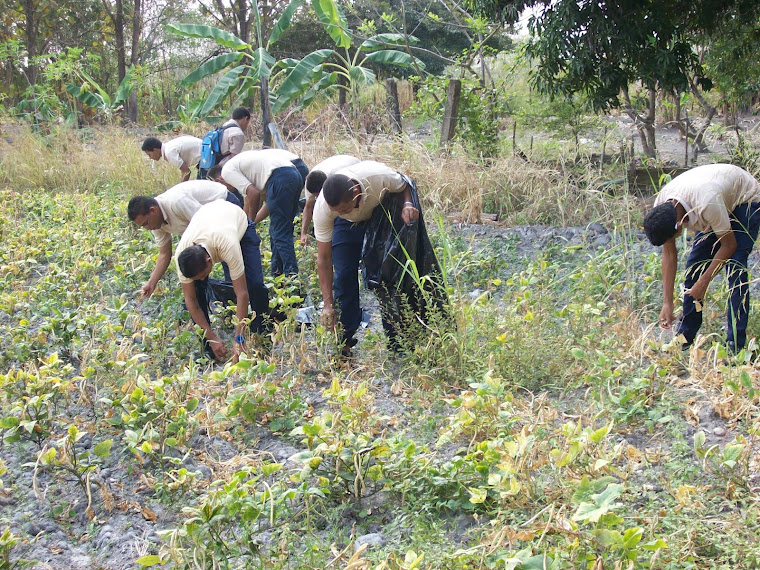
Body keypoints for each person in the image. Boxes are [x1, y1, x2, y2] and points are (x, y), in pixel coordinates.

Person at [644, 163, 760, 352]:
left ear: (679, 225)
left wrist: (704, 282)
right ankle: (684, 338)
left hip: (745, 198)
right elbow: (669, 254)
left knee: (735, 267)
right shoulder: (662, 206)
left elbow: (729, 245)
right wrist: (667, 302)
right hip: (715, 198)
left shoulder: (707, 203)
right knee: (694, 270)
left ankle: (735, 346)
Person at [314, 160, 425, 354]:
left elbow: (405, 184)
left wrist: (408, 204)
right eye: (336, 211)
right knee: (344, 275)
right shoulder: (325, 209)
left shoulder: (377, 176)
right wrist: (327, 303)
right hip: (346, 227)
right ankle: (344, 340)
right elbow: (323, 259)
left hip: (378, 216)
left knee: (387, 275)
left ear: (356, 194)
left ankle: (397, 343)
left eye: (343, 209)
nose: (339, 213)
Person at [175, 200, 269, 362]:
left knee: (254, 285)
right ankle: (211, 348)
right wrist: (211, 337)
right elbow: (190, 299)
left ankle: (261, 336)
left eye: (204, 275)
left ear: (209, 260)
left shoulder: (227, 245)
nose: (204, 280)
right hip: (209, 218)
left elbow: (242, 294)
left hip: (238, 223)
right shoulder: (181, 255)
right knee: (197, 292)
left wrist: (238, 339)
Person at [127, 180, 242, 298]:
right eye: (143, 226)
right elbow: (164, 254)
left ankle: (241, 302)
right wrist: (152, 283)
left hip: (225, 204)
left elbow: (208, 224)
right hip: (207, 225)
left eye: (146, 223)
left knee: (231, 261)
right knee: (196, 272)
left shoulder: (176, 202)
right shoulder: (155, 223)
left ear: (153, 210)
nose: (148, 228)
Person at [208, 150, 303, 277]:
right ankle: (278, 275)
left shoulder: (227, 172)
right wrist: (247, 222)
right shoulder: (244, 170)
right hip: (293, 174)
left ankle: (292, 277)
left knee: (279, 232)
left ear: (219, 181)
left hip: (280, 176)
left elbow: (253, 194)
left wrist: (249, 226)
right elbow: (253, 201)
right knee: (280, 230)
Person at [301, 155, 359, 246]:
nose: (320, 200)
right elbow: (308, 207)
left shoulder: (338, 178)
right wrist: (303, 233)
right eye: (317, 197)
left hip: (353, 166)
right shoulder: (310, 183)